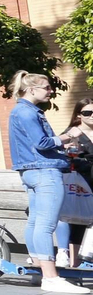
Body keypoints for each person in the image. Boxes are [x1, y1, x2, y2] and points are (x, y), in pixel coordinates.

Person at [8, 72, 86, 294]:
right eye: (47, 87)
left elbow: (35, 145)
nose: (51, 91)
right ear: (31, 89)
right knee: (46, 225)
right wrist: (69, 135)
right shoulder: (27, 112)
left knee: (35, 222)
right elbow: (41, 142)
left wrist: (62, 147)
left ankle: (38, 270)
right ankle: (51, 278)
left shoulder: (21, 111)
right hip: (44, 172)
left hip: (32, 171)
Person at [60, 99, 93, 269]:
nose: (92, 116)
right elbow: (64, 158)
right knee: (78, 223)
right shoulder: (72, 133)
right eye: (87, 113)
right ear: (79, 115)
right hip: (82, 183)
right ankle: (75, 264)